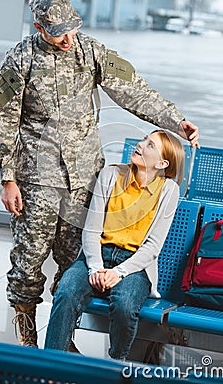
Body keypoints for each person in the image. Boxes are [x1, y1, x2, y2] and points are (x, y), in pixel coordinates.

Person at [0, 0, 199, 348]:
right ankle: (27, 336)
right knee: (29, 259)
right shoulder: (19, 60)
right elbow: (2, 118)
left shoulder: (90, 51)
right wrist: (7, 178)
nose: (69, 39)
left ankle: (61, 339)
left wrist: (175, 121)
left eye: (72, 29)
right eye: (59, 33)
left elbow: (133, 90)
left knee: (74, 263)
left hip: (84, 178)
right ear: (39, 28)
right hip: (36, 182)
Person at [44, 130, 184, 359]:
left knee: (125, 306)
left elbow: (153, 247)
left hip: (134, 264)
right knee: (66, 293)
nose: (140, 145)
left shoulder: (169, 191)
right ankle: (52, 364)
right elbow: (91, 229)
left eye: (150, 145)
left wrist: (119, 272)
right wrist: (96, 268)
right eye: (143, 140)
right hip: (97, 255)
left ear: (162, 163)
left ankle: (116, 363)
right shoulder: (110, 175)